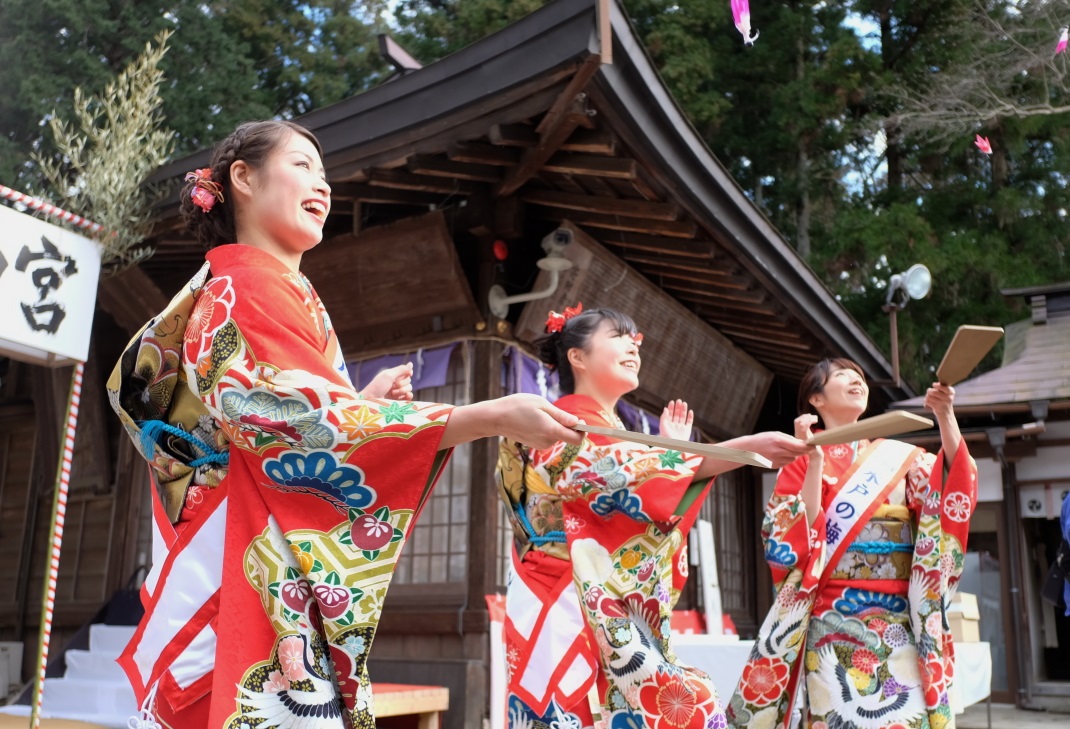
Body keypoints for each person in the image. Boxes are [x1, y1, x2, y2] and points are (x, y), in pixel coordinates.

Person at [106, 120, 582, 728]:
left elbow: (309, 414)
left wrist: (362, 399)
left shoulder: (264, 286)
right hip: (235, 562)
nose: (322, 185)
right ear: (243, 179)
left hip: (247, 546)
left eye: (325, 173)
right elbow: (305, 422)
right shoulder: (247, 287)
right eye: (303, 165)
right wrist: (482, 416)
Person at [497, 304, 809, 729]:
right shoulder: (555, 422)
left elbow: (638, 494)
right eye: (618, 336)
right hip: (564, 596)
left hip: (596, 594)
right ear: (578, 356)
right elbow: (607, 475)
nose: (633, 347)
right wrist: (736, 450)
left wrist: (673, 454)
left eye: (636, 341)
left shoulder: (605, 427)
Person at [727, 358, 978, 729]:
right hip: (832, 620)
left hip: (896, 620)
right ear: (816, 399)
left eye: (858, 376)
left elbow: (951, 486)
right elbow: (793, 536)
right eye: (842, 376)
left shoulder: (898, 458)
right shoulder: (800, 459)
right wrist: (812, 465)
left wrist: (945, 416)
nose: (855, 381)